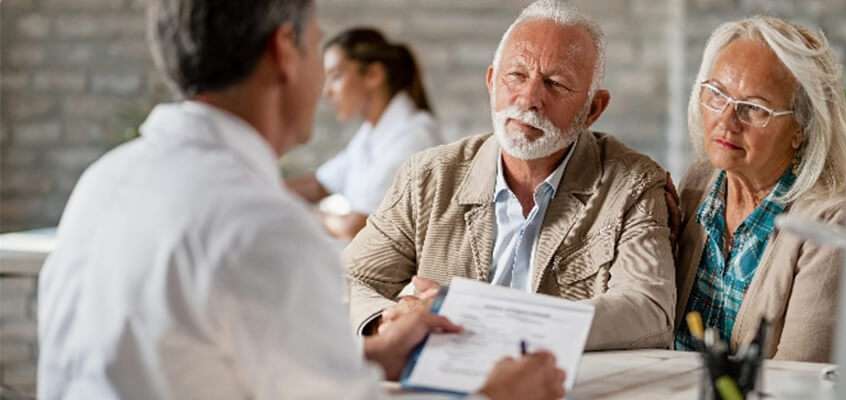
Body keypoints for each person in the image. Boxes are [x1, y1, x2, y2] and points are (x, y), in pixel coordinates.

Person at [36, 1, 565, 399]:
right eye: (317, 47)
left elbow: (198, 363)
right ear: (283, 51)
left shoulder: (104, 180)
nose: (325, 84)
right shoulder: (261, 226)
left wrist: (372, 356)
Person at [346, 0, 676, 351]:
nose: (530, 98)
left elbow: (648, 310)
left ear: (593, 109)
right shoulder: (427, 177)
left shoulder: (633, 184)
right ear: (491, 81)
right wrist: (387, 320)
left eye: (556, 83)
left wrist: (488, 320)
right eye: (516, 76)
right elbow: (348, 279)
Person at [672, 16, 846, 362]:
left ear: (801, 128)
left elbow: (799, 378)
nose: (727, 120)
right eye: (717, 94)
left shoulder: (829, 222)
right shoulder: (698, 184)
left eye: (754, 108)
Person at [286, 27, 443, 241]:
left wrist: (305, 213)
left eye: (336, 76)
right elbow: (319, 184)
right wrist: (262, 189)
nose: (327, 92)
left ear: (373, 75)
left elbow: (355, 227)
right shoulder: (371, 134)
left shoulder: (413, 136)